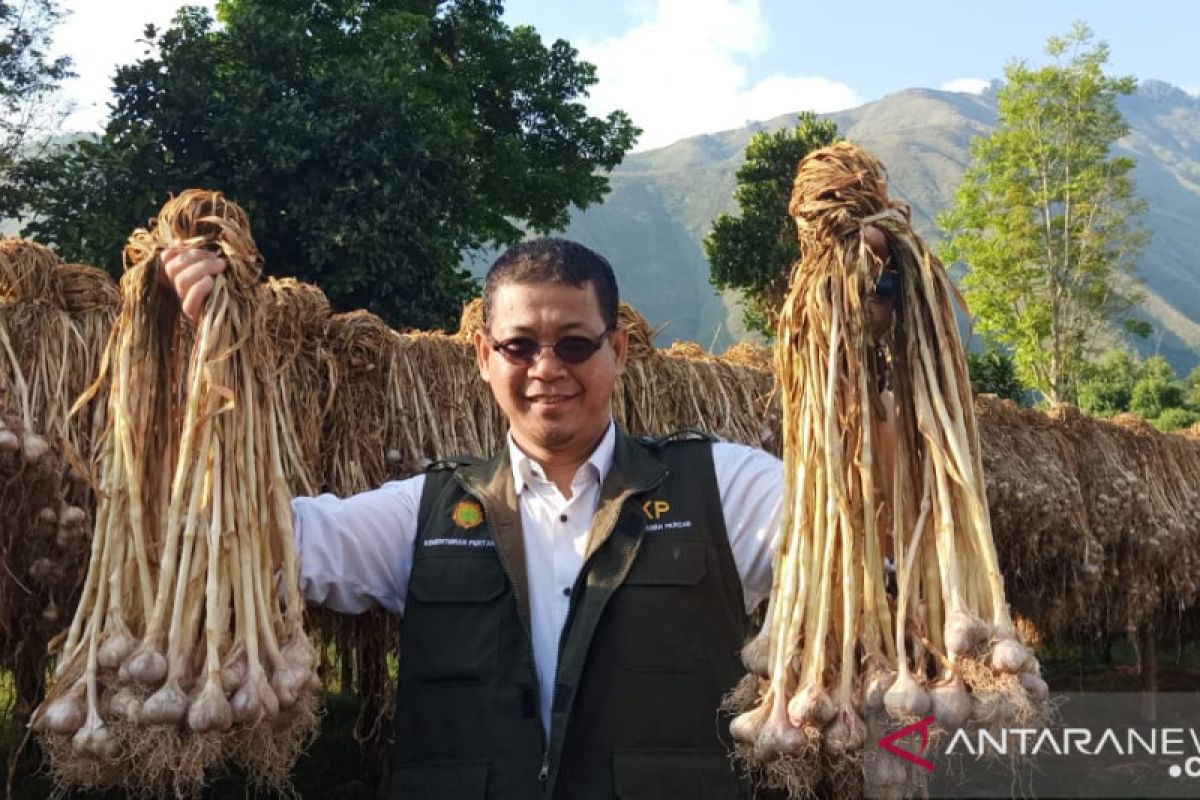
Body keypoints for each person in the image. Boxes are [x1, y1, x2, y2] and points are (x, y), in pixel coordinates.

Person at [162, 234, 892, 799]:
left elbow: (857, 526)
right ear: (484, 356)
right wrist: (195, 352)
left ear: (619, 350)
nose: (547, 367)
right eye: (519, 345)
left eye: (575, 343)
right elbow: (249, 539)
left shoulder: (721, 486)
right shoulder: (428, 510)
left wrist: (874, 340)